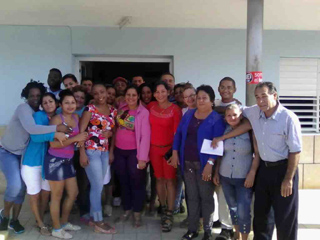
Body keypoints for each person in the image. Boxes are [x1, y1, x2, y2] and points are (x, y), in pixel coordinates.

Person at [212, 82, 302, 240]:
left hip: (284, 170)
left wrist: (288, 179)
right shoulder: (253, 112)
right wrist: (211, 107)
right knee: (262, 215)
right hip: (263, 170)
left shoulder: (288, 118)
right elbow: (233, 110)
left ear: (275, 96)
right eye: (257, 97)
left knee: (285, 217)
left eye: (264, 96)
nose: (260, 101)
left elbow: (295, 151)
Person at [0, 80, 69, 234]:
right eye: (32, 95)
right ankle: (4, 215)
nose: (35, 98)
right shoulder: (23, 108)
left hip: (22, 153)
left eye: (38, 95)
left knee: (22, 189)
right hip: (8, 152)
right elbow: (32, 130)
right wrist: (56, 129)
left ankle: (15, 220)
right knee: (15, 186)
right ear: (26, 96)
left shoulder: (40, 113)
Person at [172, 85, 225, 240]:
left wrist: (210, 164)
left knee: (206, 197)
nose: (200, 100)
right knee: (192, 196)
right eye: (199, 97)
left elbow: (217, 145)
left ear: (211, 101)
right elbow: (179, 135)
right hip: (187, 162)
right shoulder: (189, 115)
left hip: (204, 165)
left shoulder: (216, 119)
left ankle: (207, 231)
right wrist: (175, 153)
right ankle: (192, 229)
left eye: (204, 98)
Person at [45, 89, 87, 239]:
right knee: (57, 196)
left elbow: (81, 134)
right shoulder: (56, 119)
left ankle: (63, 222)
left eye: (73, 102)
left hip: (68, 160)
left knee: (73, 192)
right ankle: (56, 229)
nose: (70, 105)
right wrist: (75, 139)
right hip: (55, 161)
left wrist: (81, 139)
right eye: (67, 103)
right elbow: (53, 144)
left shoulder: (76, 117)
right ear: (61, 105)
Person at [21, 93, 66, 236]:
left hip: (48, 161)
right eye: (45, 102)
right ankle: (40, 223)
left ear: (56, 103)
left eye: (50, 101)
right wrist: (54, 134)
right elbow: (35, 136)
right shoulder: (39, 116)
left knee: (46, 193)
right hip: (32, 162)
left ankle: (38, 219)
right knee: (34, 194)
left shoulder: (59, 115)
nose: (48, 104)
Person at [213, 104, 259, 240]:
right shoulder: (224, 130)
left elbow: (257, 154)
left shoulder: (250, 131)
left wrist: (252, 173)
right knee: (232, 208)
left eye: (235, 115)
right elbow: (220, 154)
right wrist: (216, 172)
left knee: (244, 210)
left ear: (241, 115)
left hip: (243, 177)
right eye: (229, 115)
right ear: (225, 117)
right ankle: (237, 235)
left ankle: (244, 237)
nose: (232, 117)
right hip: (226, 176)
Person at [79, 83, 117, 234]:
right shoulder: (90, 109)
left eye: (102, 92)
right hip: (91, 151)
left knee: (98, 185)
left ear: (107, 93)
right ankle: (98, 221)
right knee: (97, 186)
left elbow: (112, 130)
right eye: (95, 93)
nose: (99, 95)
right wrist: (82, 153)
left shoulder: (113, 111)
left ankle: (92, 216)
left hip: (104, 152)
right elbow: (81, 132)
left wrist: (110, 135)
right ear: (92, 96)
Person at [113, 85, 151, 227]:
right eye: (128, 94)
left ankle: (137, 213)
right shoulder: (122, 109)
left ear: (138, 96)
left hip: (135, 152)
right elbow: (116, 128)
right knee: (123, 181)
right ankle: (127, 210)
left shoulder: (143, 112)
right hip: (119, 151)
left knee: (137, 183)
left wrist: (142, 158)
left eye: (134, 95)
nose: (131, 97)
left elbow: (145, 136)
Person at [147, 81, 182, 232]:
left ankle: (170, 212)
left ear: (168, 92)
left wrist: (175, 153)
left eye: (163, 91)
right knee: (159, 179)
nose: (159, 94)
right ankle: (163, 207)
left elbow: (177, 134)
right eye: (157, 92)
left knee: (170, 181)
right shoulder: (151, 106)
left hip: (169, 150)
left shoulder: (175, 110)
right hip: (153, 149)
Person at [213, 77, 237, 240]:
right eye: (222, 87)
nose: (226, 90)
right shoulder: (213, 104)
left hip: (231, 154)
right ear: (218, 89)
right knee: (216, 189)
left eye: (229, 87)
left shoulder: (240, 107)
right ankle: (220, 220)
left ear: (234, 89)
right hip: (213, 151)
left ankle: (228, 227)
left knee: (226, 193)